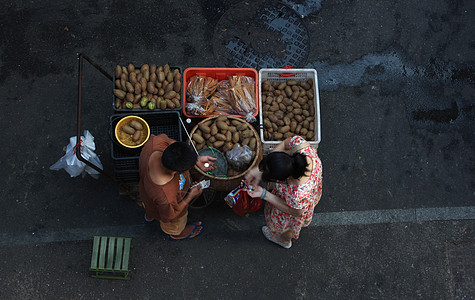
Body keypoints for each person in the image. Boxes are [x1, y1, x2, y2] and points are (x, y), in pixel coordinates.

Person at [244, 136, 322, 249]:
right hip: (311, 193)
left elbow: (295, 212)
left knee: (288, 227)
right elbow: (285, 144)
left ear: (283, 180)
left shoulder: (298, 195)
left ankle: (283, 240)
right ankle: (296, 229)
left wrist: (264, 194)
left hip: (294, 209)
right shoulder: (300, 146)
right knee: (304, 213)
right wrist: (260, 169)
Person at [138, 134, 216, 240]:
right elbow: (168, 217)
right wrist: (190, 196)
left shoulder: (156, 142)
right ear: (175, 172)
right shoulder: (166, 197)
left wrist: (196, 159)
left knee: (150, 206)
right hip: (169, 211)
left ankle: (150, 215)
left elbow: (173, 144)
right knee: (174, 225)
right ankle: (178, 234)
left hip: (146, 195)